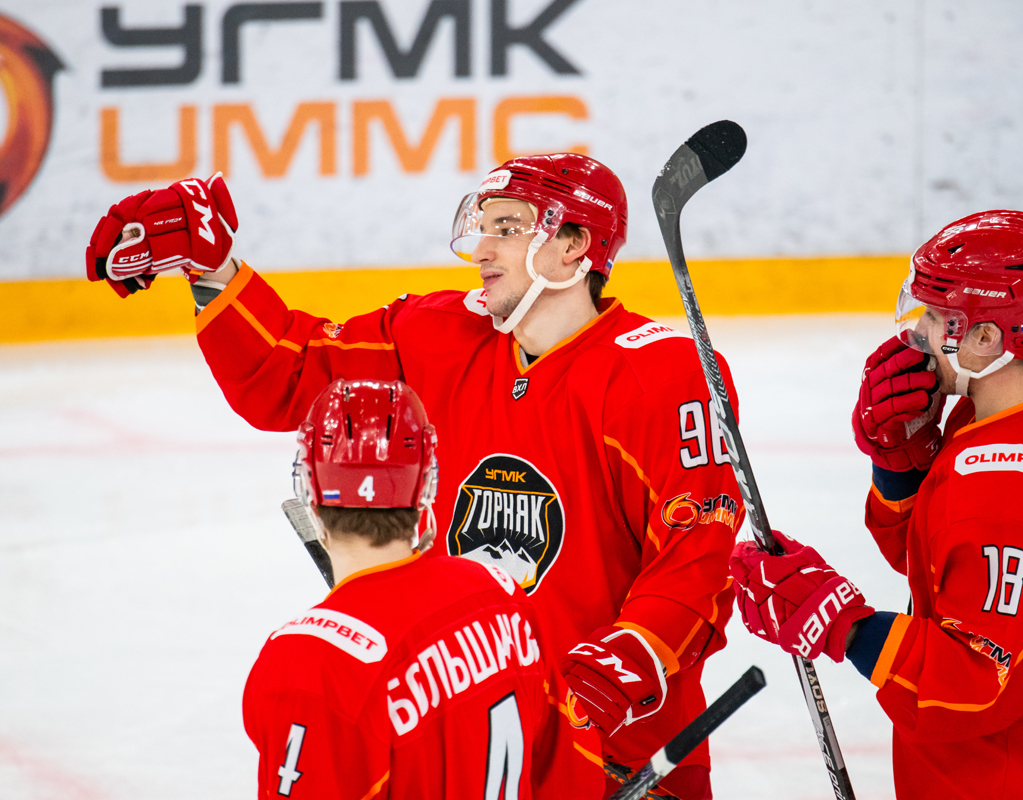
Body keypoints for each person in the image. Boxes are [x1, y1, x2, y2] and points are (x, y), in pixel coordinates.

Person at [85, 156, 743, 799]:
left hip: (624, 753)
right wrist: (213, 269)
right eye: (482, 226)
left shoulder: (662, 376)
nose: (482, 249)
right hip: (467, 740)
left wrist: (610, 677)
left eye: (508, 228)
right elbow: (289, 372)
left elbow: (698, 563)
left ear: (574, 246)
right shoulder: (439, 333)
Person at [729, 211, 1023, 799]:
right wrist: (901, 459)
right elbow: (940, 563)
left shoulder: (1008, 494)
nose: (920, 331)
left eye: (937, 316)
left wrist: (841, 625)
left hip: (1020, 774)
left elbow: (976, 685)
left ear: (987, 339)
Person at [243, 377, 604, 799]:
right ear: (425, 486)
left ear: (309, 490)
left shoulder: (310, 665)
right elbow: (573, 776)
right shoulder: (498, 595)